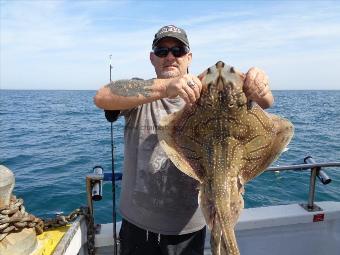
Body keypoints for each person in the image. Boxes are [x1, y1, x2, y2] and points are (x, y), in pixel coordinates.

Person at [94, 25, 274, 255]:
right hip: (137, 229)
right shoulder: (141, 93)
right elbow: (102, 96)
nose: (170, 56)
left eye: (177, 50)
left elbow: (267, 103)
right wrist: (167, 87)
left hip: (188, 232)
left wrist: (259, 86)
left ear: (188, 57)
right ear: (152, 58)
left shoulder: (203, 94)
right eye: (162, 51)